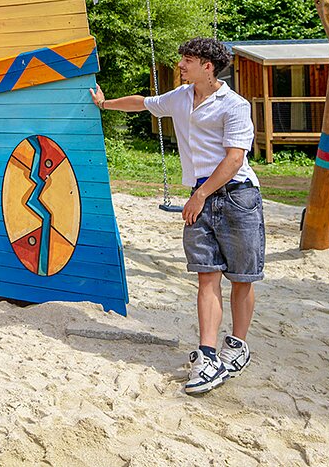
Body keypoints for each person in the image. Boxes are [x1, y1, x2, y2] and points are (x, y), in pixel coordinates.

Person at [90, 37, 263, 396]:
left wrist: (200, 195)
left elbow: (234, 159)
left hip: (237, 196)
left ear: (208, 66)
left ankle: (237, 346)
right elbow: (143, 103)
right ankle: (208, 354)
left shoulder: (234, 106)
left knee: (241, 277)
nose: (181, 65)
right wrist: (105, 104)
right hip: (200, 197)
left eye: (187, 60)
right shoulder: (181, 97)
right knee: (206, 276)